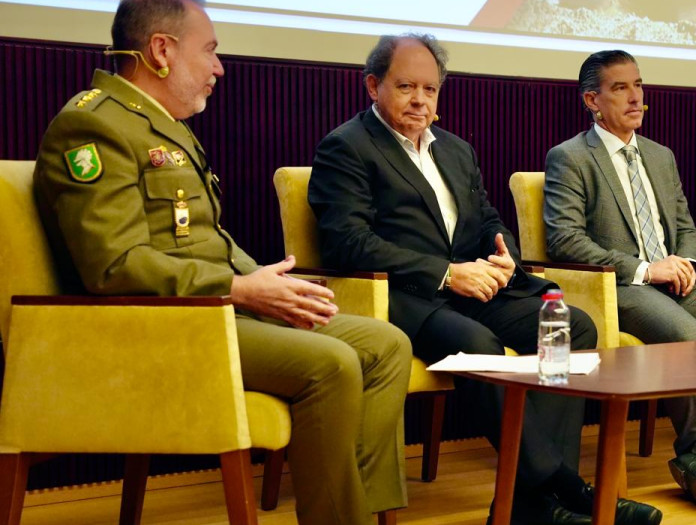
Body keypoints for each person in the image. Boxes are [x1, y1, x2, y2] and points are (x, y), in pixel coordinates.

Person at [31, 2, 411, 524]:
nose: (219, 67)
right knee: (332, 364)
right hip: (162, 326)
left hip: (213, 307)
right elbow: (114, 265)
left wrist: (264, 282)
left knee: (386, 344)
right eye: (209, 50)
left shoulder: (162, 124)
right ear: (162, 51)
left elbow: (203, 238)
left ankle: (358, 511)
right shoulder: (93, 126)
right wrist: (239, 289)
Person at [308, 35, 661, 525]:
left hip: (477, 287)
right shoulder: (345, 147)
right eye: (406, 86)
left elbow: (489, 217)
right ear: (373, 85)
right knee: (478, 343)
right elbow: (348, 243)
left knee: (570, 326)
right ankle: (562, 487)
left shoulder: (454, 148)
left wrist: (502, 255)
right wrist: (448, 274)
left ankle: (530, 504)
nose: (420, 100)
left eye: (430, 89)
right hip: (406, 296)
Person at [543, 49, 696, 513]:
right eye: (621, 88)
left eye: (638, 85)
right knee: (687, 335)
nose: (636, 97)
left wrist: (688, 264)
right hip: (621, 288)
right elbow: (564, 240)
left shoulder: (660, 155)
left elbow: (688, 227)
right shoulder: (571, 157)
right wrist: (643, 269)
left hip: (677, 282)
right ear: (592, 100)